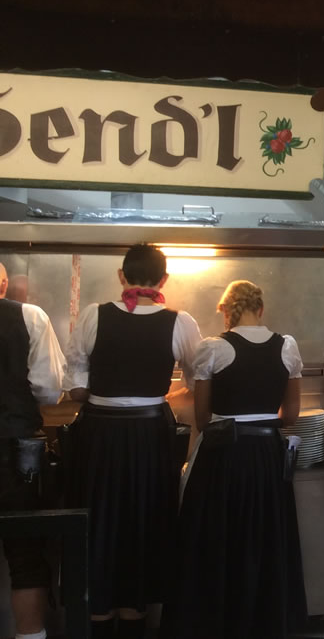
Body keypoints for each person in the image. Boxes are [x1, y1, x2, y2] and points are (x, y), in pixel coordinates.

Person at [63, 244, 201, 639]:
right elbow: (199, 380)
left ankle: (98, 615)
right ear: (164, 280)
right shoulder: (180, 322)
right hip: (149, 435)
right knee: (143, 522)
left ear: (121, 276)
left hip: (99, 435)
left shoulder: (93, 314)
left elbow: (75, 386)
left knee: (99, 523)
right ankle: (134, 615)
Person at [161, 280, 306, 639]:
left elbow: (203, 418)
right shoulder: (287, 347)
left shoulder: (214, 348)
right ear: (261, 309)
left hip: (223, 457)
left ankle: (216, 625)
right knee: (265, 540)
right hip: (268, 457)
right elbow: (290, 415)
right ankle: (263, 625)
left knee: (218, 542)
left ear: (226, 311)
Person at [0, 263, 64, 639]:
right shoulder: (29, 316)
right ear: (4, 284)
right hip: (15, 450)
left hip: (15, 448)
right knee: (25, 556)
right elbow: (49, 389)